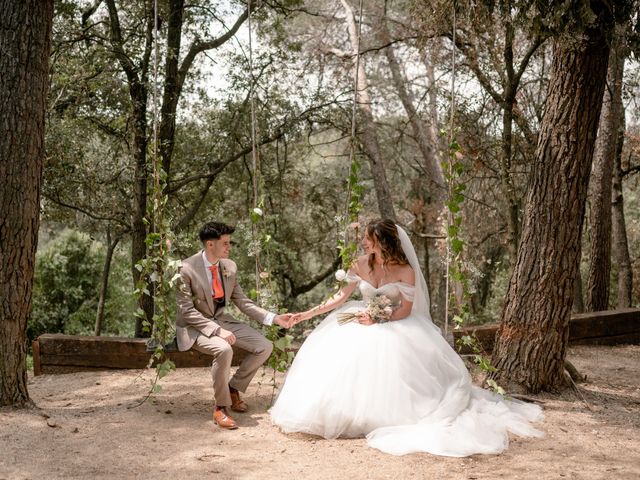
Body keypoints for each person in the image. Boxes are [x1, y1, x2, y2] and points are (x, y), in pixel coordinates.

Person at [270, 218, 543, 456]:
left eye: (369, 238)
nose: (364, 242)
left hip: (392, 325)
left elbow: (404, 310)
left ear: (383, 242)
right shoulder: (359, 263)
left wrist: (378, 318)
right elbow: (339, 297)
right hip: (358, 320)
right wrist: (306, 314)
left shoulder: (405, 271)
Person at [176, 221, 292, 430]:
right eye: (226, 243)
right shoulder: (185, 269)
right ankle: (220, 407)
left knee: (265, 346)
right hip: (194, 328)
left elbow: (242, 301)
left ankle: (233, 387)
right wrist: (217, 331)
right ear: (210, 245)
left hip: (222, 320)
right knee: (223, 349)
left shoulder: (229, 266)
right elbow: (187, 311)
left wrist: (273, 318)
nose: (229, 247)